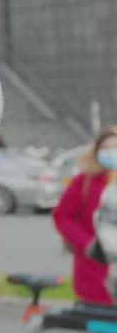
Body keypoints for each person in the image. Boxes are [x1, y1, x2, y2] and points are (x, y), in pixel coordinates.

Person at [53, 127, 117, 304]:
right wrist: (88, 244)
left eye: (115, 146)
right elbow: (63, 216)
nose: (112, 152)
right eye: (106, 147)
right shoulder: (85, 181)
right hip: (93, 269)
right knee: (100, 323)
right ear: (96, 152)